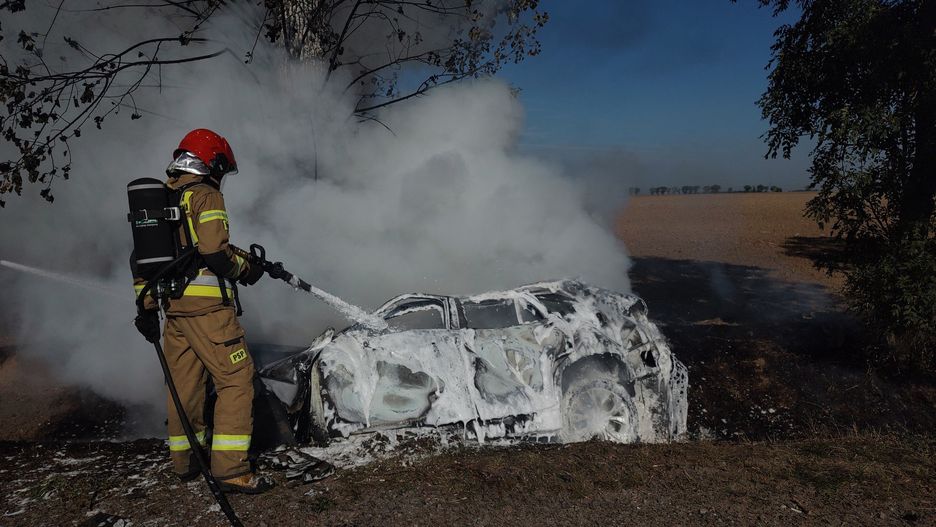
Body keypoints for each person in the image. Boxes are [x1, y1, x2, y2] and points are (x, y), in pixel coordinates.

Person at [134, 128, 273, 494]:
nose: (222, 177)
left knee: (185, 388)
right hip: (209, 312)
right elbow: (213, 251)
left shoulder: (164, 200)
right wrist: (245, 271)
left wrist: (146, 307)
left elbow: (144, 260)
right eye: (222, 169)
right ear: (211, 162)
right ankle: (231, 470)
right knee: (236, 380)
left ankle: (186, 463)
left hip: (174, 311)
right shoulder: (205, 195)